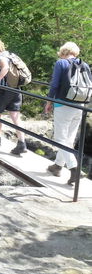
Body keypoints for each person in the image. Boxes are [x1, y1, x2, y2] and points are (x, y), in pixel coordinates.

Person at [45, 42, 91, 185]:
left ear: (63, 51)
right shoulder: (85, 65)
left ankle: (74, 169)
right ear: (75, 52)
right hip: (80, 105)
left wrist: (48, 101)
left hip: (63, 104)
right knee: (69, 138)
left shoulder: (61, 63)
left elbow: (54, 84)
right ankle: (58, 165)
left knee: (60, 137)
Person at [0, 38, 27, 155]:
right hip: (15, 89)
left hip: (3, 90)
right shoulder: (11, 55)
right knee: (15, 116)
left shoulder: (0, 57)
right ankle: (22, 143)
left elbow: (5, 68)